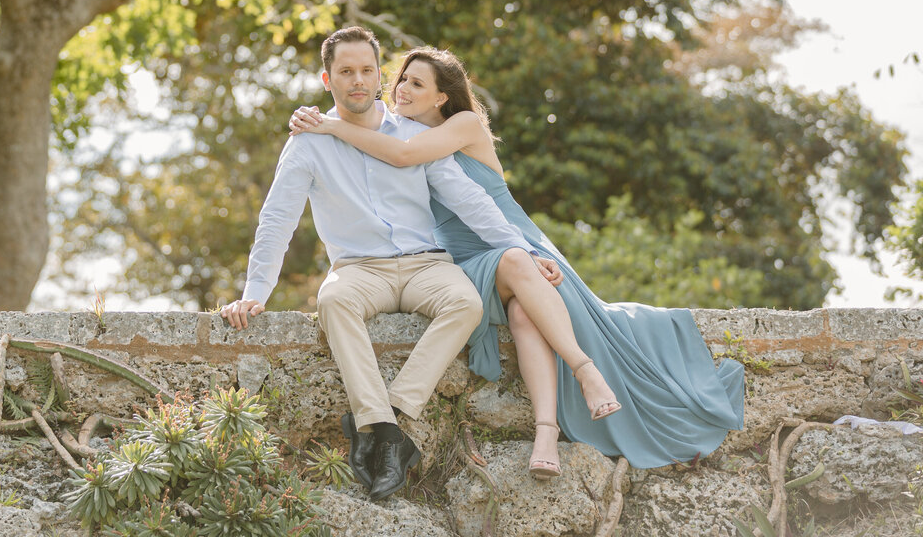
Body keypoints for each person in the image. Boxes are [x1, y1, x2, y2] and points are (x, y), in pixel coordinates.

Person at [289, 46, 745, 471]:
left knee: (525, 304)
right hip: (463, 259)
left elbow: (409, 157)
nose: (401, 90)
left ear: (442, 97)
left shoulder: (461, 125)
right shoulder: (396, 135)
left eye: (416, 85)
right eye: (401, 80)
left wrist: (331, 124)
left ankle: (566, 405)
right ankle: (565, 405)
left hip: (513, 242)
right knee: (522, 306)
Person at [220, 26, 572, 500]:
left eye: (367, 70)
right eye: (346, 72)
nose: (358, 80)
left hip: (428, 265)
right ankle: (383, 429)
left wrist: (526, 249)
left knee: (465, 303)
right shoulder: (308, 142)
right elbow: (277, 219)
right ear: (328, 79)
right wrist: (255, 292)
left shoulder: (414, 136)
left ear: (379, 73)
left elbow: (469, 199)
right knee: (334, 301)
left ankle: (393, 417)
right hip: (359, 270)